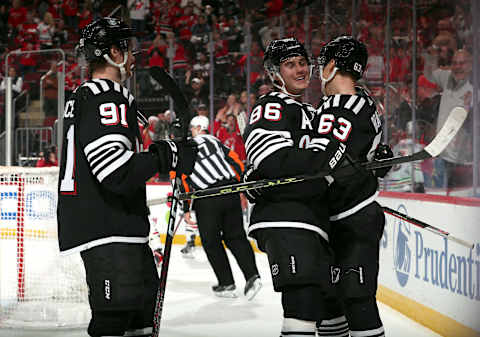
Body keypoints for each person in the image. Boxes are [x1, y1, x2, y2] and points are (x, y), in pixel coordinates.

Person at [56, 17, 196, 337]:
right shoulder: (107, 95)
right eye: (129, 50)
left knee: (140, 322)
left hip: (115, 228)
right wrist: (167, 156)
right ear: (113, 52)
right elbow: (116, 171)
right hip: (110, 228)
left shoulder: (86, 96)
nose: (134, 57)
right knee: (113, 321)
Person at [242, 37, 346, 337]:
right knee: (303, 305)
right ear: (276, 73)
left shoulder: (315, 113)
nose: (300, 70)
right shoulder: (271, 105)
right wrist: (321, 172)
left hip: (314, 222)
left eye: (302, 63)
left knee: (332, 307)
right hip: (286, 220)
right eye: (290, 65)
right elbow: (270, 161)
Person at [315, 35, 393, 337]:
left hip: (353, 219)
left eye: (323, 64)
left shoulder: (346, 107)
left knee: (357, 301)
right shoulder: (357, 103)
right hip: (337, 219)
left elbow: (323, 163)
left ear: (333, 66)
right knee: (329, 306)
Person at [183, 115, 262, 300]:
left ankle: (226, 283)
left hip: (208, 197)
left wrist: (186, 208)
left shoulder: (186, 147)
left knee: (211, 242)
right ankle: (252, 276)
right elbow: (235, 161)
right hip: (229, 191)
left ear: (195, 128)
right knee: (236, 237)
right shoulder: (214, 140)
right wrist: (241, 187)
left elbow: (183, 180)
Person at [423, 48, 473, 188]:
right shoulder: (447, 77)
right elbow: (428, 75)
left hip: (463, 159)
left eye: (462, 63)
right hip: (442, 153)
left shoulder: (474, 87)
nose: (457, 67)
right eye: (455, 63)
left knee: (461, 197)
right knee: (441, 197)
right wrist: (431, 58)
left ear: (470, 65)